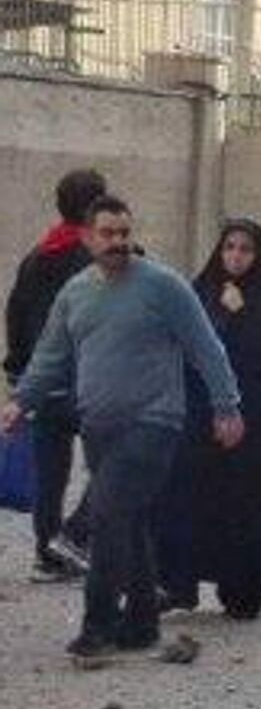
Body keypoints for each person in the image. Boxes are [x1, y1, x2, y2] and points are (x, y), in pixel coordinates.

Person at [1, 198, 243, 660]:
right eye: (108, 234)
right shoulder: (75, 293)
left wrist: (226, 406)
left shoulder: (163, 286)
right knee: (128, 521)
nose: (118, 242)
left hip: (154, 423)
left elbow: (206, 347)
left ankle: (98, 626)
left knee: (108, 513)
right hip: (99, 426)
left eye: (124, 233)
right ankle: (142, 622)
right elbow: (51, 357)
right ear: (87, 237)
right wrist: (20, 402)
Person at [155, 221, 261, 620]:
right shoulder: (201, 292)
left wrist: (243, 315)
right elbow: (185, 349)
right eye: (229, 247)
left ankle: (241, 590)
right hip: (200, 420)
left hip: (256, 429)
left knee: (245, 509)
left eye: (245, 249)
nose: (236, 256)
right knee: (186, 500)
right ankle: (178, 584)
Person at [4, 166, 106, 579]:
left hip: (44, 384)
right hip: (91, 380)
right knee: (114, 462)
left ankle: (47, 554)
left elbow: (15, 315)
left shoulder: (37, 256)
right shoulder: (101, 257)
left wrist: (18, 374)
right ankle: (74, 538)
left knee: (50, 476)